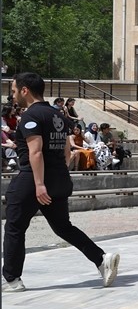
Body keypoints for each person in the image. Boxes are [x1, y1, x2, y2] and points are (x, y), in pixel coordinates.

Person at [3, 72, 120, 292]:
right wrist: (57, 174)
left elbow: (35, 152)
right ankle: (101, 259)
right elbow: (67, 150)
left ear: (25, 90)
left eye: (14, 90)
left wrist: (39, 184)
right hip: (58, 177)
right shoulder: (57, 115)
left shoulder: (31, 116)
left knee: (14, 227)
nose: (13, 95)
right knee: (63, 227)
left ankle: (12, 279)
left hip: (33, 179)